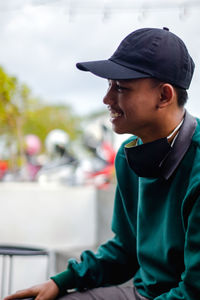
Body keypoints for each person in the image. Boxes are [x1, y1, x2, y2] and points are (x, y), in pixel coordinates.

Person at [4, 27, 200, 300]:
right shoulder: (128, 156)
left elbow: (194, 291)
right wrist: (62, 281)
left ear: (164, 96)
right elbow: (125, 251)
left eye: (120, 88)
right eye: (108, 85)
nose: (106, 99)